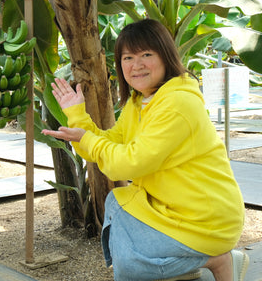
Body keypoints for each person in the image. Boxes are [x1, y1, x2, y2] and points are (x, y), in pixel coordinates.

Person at [42, 19, 248, 281]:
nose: (136, 65)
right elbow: (109, 143)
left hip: (206, 219)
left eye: (146, 55)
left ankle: (217, 259)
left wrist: (87, 138)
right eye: (127, 57)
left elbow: (128, 164)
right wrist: (77, 115)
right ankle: (187, 263)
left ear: (166, 56)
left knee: (130, 267)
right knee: (116, 204)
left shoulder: (178, 103)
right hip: (168, 209)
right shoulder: (139, 101)